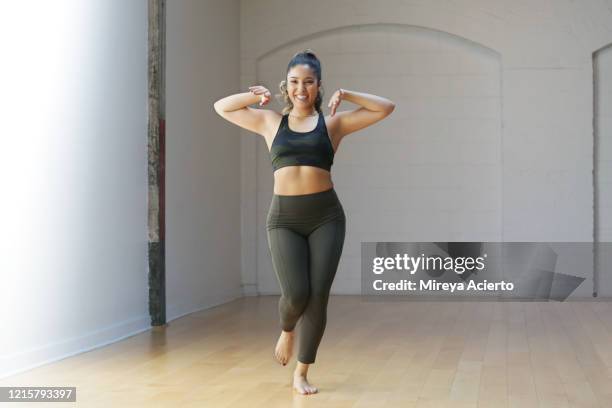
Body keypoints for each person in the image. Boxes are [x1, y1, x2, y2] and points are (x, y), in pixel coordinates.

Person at [213, 49, 395, 395]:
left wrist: (349, 95)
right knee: (296, 293)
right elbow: (222, 107)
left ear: (318, 86)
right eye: (295, 82)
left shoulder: (333, 125)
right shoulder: (269, 122)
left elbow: (385, 107)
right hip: (284, 218)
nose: (301, 89)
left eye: (308, 82)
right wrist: (253, 96)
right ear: (287, 86)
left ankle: (301, 371)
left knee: (317, 297)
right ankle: (286, 327)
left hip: (326, 216)